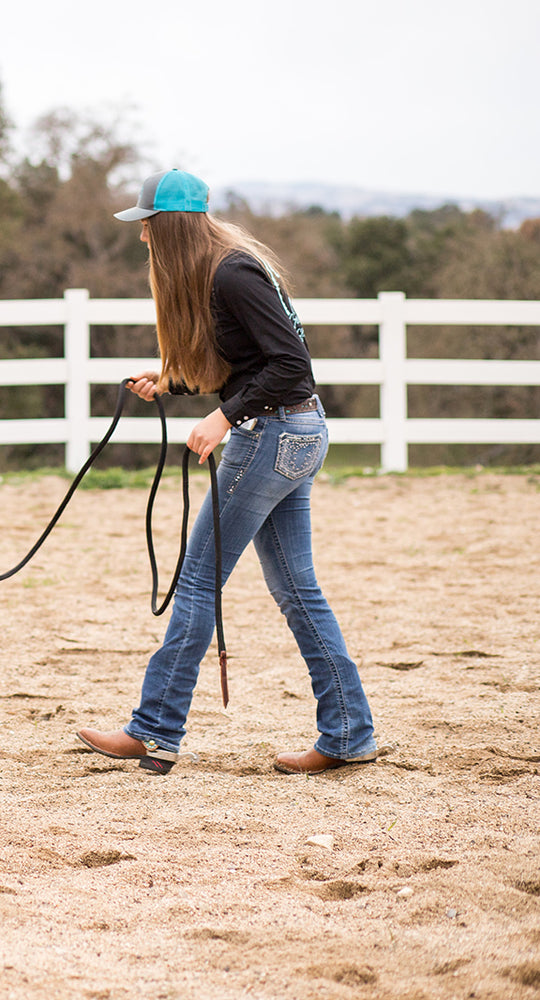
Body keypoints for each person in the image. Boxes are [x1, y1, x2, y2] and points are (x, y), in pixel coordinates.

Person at [76, 168, 378, 776]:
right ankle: (348, 733)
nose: (143, 240)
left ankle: (155, 730)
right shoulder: (225, 269)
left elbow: (291, 364)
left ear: (171, 226)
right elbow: (249, 362)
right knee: (297, 590)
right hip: (295, 432)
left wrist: (222, 417)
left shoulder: (231, 273)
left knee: (194, 583)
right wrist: (173, 380)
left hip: (271, 435)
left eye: (148, 227)